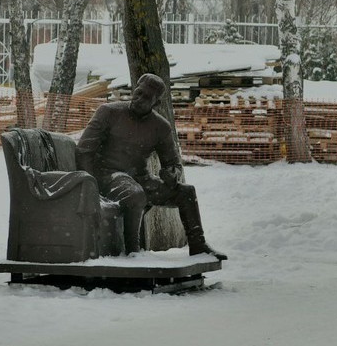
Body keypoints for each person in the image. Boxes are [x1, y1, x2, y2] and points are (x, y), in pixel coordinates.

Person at [76, 73, 227, 260]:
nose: (139, 99)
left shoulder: (160, 127)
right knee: (134, 194)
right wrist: (90, 184)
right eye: (138, 93)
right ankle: (133, 253)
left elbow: (173, 163)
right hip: (107, 176)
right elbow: (84, 151)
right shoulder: (108, 112)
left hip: (141, 180)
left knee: (186, 193)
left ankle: (198, 245)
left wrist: (172, 173)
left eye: (146, 97)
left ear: (156, 103)